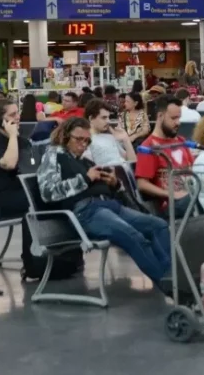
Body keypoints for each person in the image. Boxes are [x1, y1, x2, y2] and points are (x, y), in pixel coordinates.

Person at [38, 117, 171, 285]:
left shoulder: (84, 161)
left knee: (158, 225)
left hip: (108, 206)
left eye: (87, 141)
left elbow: (104, 187)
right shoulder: (53, 155)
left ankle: (171, 276)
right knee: (134, 237)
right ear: (65, 136)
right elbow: (47, 193)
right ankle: (167, 284)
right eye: (78, 139)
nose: (83, 144)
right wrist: (85, 179)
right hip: (86, 211)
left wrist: (114, 184)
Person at [135, 95, 195, 217]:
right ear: (160, 116)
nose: (178, 122)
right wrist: (169, 194)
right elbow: (142, 184)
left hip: (190, 192)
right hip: (170, 204)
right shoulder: (148, 147)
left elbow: (192, 169)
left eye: (179, 118)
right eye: (173, 118)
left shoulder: (181, 141)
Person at [0, 99, 36, 218]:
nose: (18, 117)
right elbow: (9, 164)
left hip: (29, 188)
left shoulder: (24, 141)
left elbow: (32, 164)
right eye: (12, 115)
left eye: (18, 113)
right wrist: (12, 135)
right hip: (11, 195)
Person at [83, 99, 136, 167]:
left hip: (124, 173)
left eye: (108, 117)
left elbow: (133, 163)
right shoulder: (85, 140)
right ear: (91, 118)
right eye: (104, 118)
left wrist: (126, 140)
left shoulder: (110, 137)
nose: (108, 121)